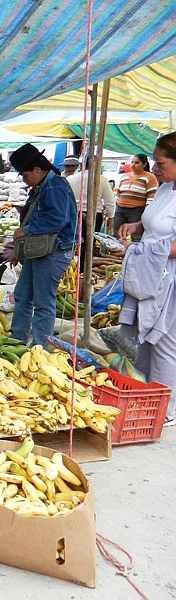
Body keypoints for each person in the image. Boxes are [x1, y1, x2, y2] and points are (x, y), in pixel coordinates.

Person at [116, 132, 176, 428]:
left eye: (160, 161)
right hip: (152, 272)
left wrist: (146, 251)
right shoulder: (167, 188)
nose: (154, 166)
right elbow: (154, 220)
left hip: (169, 278)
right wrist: (135, 225)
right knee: (146, 338)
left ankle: (165, 406)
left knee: (164, 341)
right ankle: (143, 395)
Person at [8, 143, 77, 347]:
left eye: (25, 175)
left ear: (37, 170)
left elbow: (58, 218)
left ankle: (41, 349)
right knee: (23, 295)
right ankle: (17, 340)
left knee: (43, 303)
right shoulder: (43, 186)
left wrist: (26, 230)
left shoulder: (55, 185)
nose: (24, 180)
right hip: (39, 249)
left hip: (54, 251)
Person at [66, 156, 116, 264]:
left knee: (71, 241)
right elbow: (109, 201)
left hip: (73, 213)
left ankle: (69, 267)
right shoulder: (101, 179)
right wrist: (111, 217)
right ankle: (83, 269)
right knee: (88, 245)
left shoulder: (71, 178)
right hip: (93, 214)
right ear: (97, 165)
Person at [114, 153, 158, 239]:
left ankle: (135, 251)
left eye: (137, 163)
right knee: (117, 233)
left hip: (136, 211)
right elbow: (118, 193)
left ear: (144, 164)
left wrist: (147, 212)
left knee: (136, 235)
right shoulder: (124, 176)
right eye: (132, 162)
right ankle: (115, 251)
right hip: (120, 210)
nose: (133, 165)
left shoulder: (150, 177)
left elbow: (151, 197)